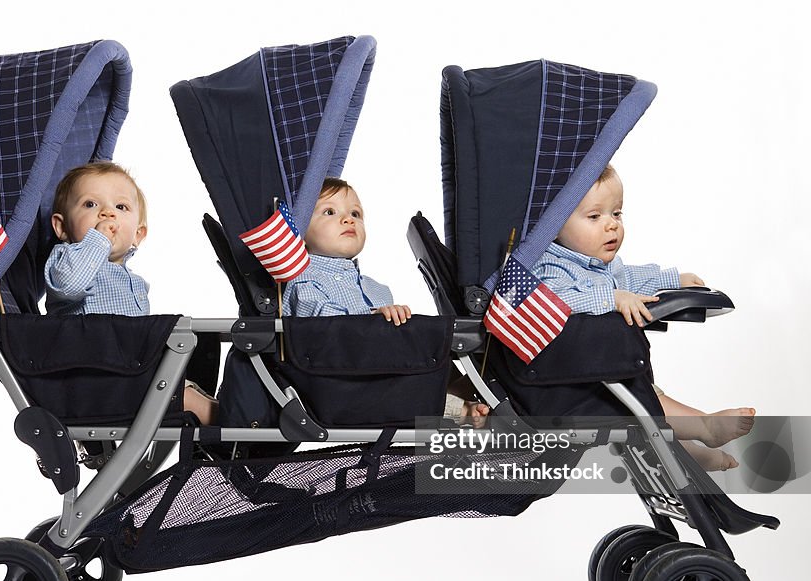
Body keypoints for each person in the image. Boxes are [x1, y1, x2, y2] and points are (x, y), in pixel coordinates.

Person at [531, 165, 754, 470]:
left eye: (616, 214)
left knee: (646, 405)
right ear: (553, 226)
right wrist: (611, 299)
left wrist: (672, 280)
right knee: (643, 402)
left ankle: (692, 454)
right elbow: (553, 302)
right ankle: (704, 427)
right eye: (595, 217)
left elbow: (631, 280)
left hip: (605, 374)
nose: (611, 226)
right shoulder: (549, 267)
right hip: (574, 382)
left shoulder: (599, 264)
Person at [283, 177, 488, 420]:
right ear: (300, 229)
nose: (348, 219)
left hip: (373, 369)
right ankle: (451, 407)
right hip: (340, 381)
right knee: (413, 340)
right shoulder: (304, 280)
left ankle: (452, 387)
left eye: (356, 214)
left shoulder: (375, 289)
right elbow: (321, 331)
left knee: (424, 338)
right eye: (329, 211)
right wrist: (371, 321)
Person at [44, 161, 217, 425]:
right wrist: (98, 241)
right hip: (95, 380)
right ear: (62, 227)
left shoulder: (132, 282)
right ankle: (235, 437)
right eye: (91, 204)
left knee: (194, 390)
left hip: (129, 378)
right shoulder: (66, 259)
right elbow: (70, 284)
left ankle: (229, 427)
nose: (107, 214)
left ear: (138, 234)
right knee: (191, 401)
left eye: (120, 207)